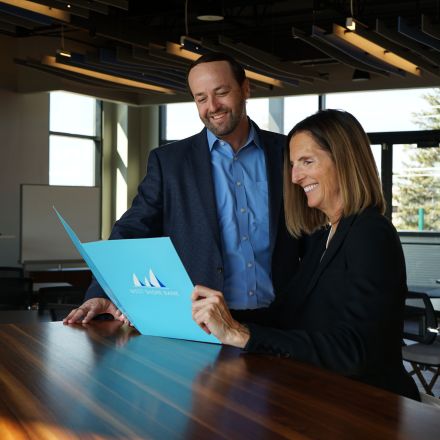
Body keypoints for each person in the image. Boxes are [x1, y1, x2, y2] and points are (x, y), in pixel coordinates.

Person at [192, 109, 420, 400]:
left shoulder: (371, 233)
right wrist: (216, 315)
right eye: (292, 165)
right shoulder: (323, 237)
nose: (295, 176)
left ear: (344, 161)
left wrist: (241, 334)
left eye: (307, 162)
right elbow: (285, 315)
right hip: (330, 399)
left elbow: (357, 350)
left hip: (371, 409)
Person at [64, 52, 300, 325]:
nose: (212, 106)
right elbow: (131, 231)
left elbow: (313, 234)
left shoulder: (286, 153)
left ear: (246, 88)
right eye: (201, 98)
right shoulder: (169, 163)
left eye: (221, 92)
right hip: (203, 325)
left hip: (283, 321)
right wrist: (102, 291)